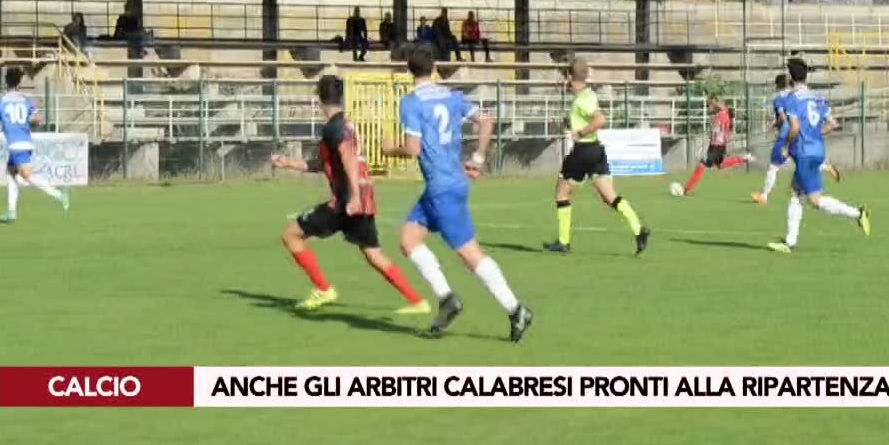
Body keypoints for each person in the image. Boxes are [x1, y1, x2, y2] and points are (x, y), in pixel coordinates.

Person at [382, 44, 533, 342]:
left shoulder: (411, 103)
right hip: (445, 185)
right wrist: (477, 157)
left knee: (470, 255)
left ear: (408, 70)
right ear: (434, 67)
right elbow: (486, 119)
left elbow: (412, 149)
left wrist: (390, 150)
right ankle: (446, 298)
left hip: (442, 189)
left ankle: (516, 309)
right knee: (408, 240)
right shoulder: (452, 96)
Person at [270, 75, 429, 314]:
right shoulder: (345, 124)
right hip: (362, 200)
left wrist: (353, 196)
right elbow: (325, 163)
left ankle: (323, 289)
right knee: (373, 253)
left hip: (347, 202)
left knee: (290, 234)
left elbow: (348, 159)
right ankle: (418, 301)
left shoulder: (334, 127)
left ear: (319, 99)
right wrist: (289, 164)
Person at [545, 58, 651, 254]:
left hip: (583, 150)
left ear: (570, 76)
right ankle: (638, 230)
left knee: (561, 193)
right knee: (609, 196)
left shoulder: (581, 100)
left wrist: (580, 132)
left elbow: (600, 119)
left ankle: (563, 242)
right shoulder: (588, 94)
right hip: (596, 150)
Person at [767, 58, 870, 253]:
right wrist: (815, 134)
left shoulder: (791, 99)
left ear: (790, 77)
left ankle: (858, 213)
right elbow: (833, 123)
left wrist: (786, 146)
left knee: (815, 201)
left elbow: (795, 127)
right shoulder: (816, 97)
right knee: (795, 194)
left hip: (804, 152)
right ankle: (790, 242)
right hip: (817, 150)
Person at [0, 67, 70, 223]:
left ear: (5, 83)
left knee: (26, 175)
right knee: (11, 173)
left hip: (15, 144)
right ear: (19, 83)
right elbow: (37, 120)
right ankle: (11, 212)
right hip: (24, 142)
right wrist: (27, 121)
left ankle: (59, 195)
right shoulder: (26, 100)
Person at [752, 73, 841, 204]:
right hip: (801, 136)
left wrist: (774, 125)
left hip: (787, 135)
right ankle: (824, 166)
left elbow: (782, 118)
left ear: (777, 85)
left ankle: (764, 196)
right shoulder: (797, 95)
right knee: (800, 162)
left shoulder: (780, 99)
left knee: (774, 166)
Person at [678, 95, 754, 196]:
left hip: (716, 146)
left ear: (714, 104)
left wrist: (711, 134)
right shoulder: (723, 113)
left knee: (701, 165)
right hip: (719, 146)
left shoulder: (721, 114)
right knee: (720, 165)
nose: (708, 108)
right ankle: (743, 159)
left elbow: (716, 129)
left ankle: (685, 190)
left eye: (708, 105)